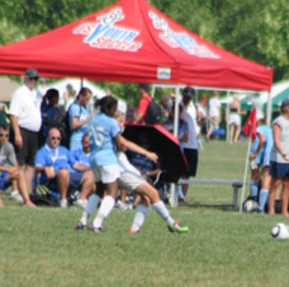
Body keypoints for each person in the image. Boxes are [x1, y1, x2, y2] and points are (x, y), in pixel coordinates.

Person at [75, 95, 188, 235]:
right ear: (110, 110)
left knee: (142, 196)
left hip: (97, 161)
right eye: (119, 116)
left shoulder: (94, 120)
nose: (121, 121)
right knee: (151, 193)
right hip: (117, 165)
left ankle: (132, 228)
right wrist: (147, 153)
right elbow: (123, 143)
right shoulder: (111, 123)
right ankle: (171, 223)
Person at [9, 68, 43, 191]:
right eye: (31, 78)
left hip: (34, 133)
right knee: (19, 162)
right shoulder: (19, 93)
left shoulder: (35, 93)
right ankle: (14, 190)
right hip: (22, 130)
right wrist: (17, 134)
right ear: (25, 78)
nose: (33, 81)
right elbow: (13, 115)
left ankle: (24, 190)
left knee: (31, 164)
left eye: (35, 79)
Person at [268, 98, 289, 217]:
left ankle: (284, 211)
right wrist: (282, 153)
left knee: (287, 185)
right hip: (280, 158)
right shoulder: (278, 122)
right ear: (287, 108)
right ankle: (271, 209)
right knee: (276, 184)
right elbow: (276, 139)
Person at [250, 116, 273, 212]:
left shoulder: (259, 128)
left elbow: (262, 140)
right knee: (267, 179)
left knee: (254, 177)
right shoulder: (270, 129)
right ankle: (262, 206)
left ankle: (254, 201)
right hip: (271, 155)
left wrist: (255, 153)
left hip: (259, 156)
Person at [178, 93, 199, 203]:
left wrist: (201, 120)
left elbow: (195, 123)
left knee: (188, 174)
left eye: (190, 97)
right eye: (186, 96)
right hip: (182, 145)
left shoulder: (193, 107)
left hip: (192, 145)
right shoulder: (178, 104)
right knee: (179, 172)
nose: (188, 98)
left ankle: (183, 196)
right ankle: (176, 195)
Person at [68, 87, 92, 151]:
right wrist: (86, 121)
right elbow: (74, 125)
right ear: (81, 96)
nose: (88, 101)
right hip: (77, 140)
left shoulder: (85, 108)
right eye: (87, 99)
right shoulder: (75, 107)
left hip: (85, 139)